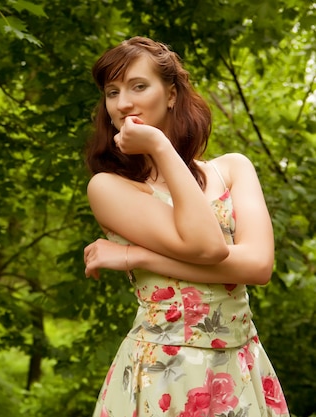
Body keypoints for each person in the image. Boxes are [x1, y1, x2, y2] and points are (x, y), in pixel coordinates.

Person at [82, 36, 289, 417]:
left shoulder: (233, 169)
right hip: (164, 372)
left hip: (241, 367)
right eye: (112, 92)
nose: (123, 102)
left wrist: (136, 255)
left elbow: (258, 267)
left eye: (138, 86)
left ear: (172, 94)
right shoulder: (110, 188)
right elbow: (208, 247)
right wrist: (159, 147)